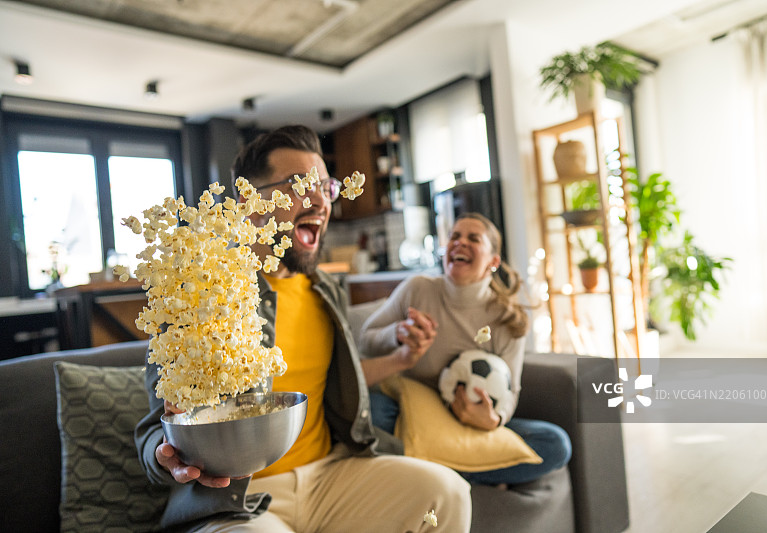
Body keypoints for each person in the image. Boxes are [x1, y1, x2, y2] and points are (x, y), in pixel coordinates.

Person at [134, 125, 471, 532]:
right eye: (297, 186)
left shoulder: (327, 291)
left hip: (331, 476)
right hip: (239, 498)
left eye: (325, 187)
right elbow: (156, 429)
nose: (319, 201)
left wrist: (402, 358)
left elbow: (338, 384)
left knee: (447, 492)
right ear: (249, 201)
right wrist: (166, 454)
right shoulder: (201, 291)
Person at [359, 213, 572, 486]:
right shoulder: (417, 289)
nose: (460, 243)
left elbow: (511, 392)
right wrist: (397, 334)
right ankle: (459, 471)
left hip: (466, 425)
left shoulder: (507, 319)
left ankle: (435, 471)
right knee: (373, 412)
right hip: (414, 416)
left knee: (554, 443)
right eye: (454, 237)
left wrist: (493, 420)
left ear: (493, 262)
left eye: (473, 238)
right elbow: (365, 339)